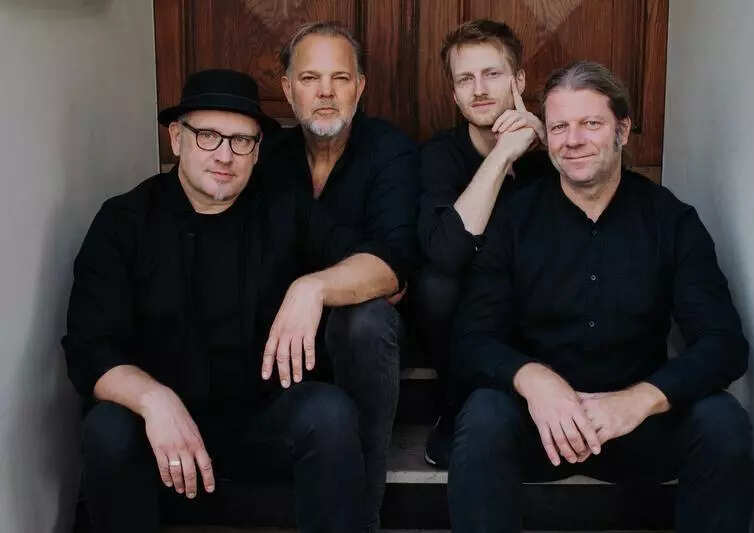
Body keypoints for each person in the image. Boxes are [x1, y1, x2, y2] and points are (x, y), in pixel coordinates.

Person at [63, 69, 403, 533]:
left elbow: (387, 268)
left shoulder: (284, 209)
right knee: (106, 428)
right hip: (160, 433)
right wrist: (154, 400)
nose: (225, 155)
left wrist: (314, 287)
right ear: (177, 138)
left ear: (257, 152)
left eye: (242, 141)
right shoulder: (123, 221)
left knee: (328, 414)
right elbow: (89, 349)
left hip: (259, 421)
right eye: (208, 136)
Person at [447, 61, 754, 532]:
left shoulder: (671, 221)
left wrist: (641, 399)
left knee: (723, 422)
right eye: (559, 127)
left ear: (622, 131)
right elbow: (471, 339)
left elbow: (724, 344)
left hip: (637, 425)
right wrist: (533, 380)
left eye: (590, 123)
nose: (572, 140)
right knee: (484, 416)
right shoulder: (514, 219)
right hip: (543, 425)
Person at [260, 21, 419, 531]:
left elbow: (393, 264)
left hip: (364, 343)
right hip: (280, 342)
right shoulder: (264, 156)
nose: (325, 92)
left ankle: (362, 519)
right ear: (288, 89)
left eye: (340, 78)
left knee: (364, 320)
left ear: (360, 86)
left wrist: (312, 287)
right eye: (310, 78)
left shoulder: (390, 150)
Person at [414, 19, 555, 466]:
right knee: (436, 285)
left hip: (539, 302)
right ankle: (456, 408)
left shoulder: (554, 151)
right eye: (465, 79)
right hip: (468, 312)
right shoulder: (439, 155)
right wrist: (502, 153)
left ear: (519, 81)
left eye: (492, 74)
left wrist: (546, 141)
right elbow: (446, 253)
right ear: (454, 94)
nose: (479, 90)